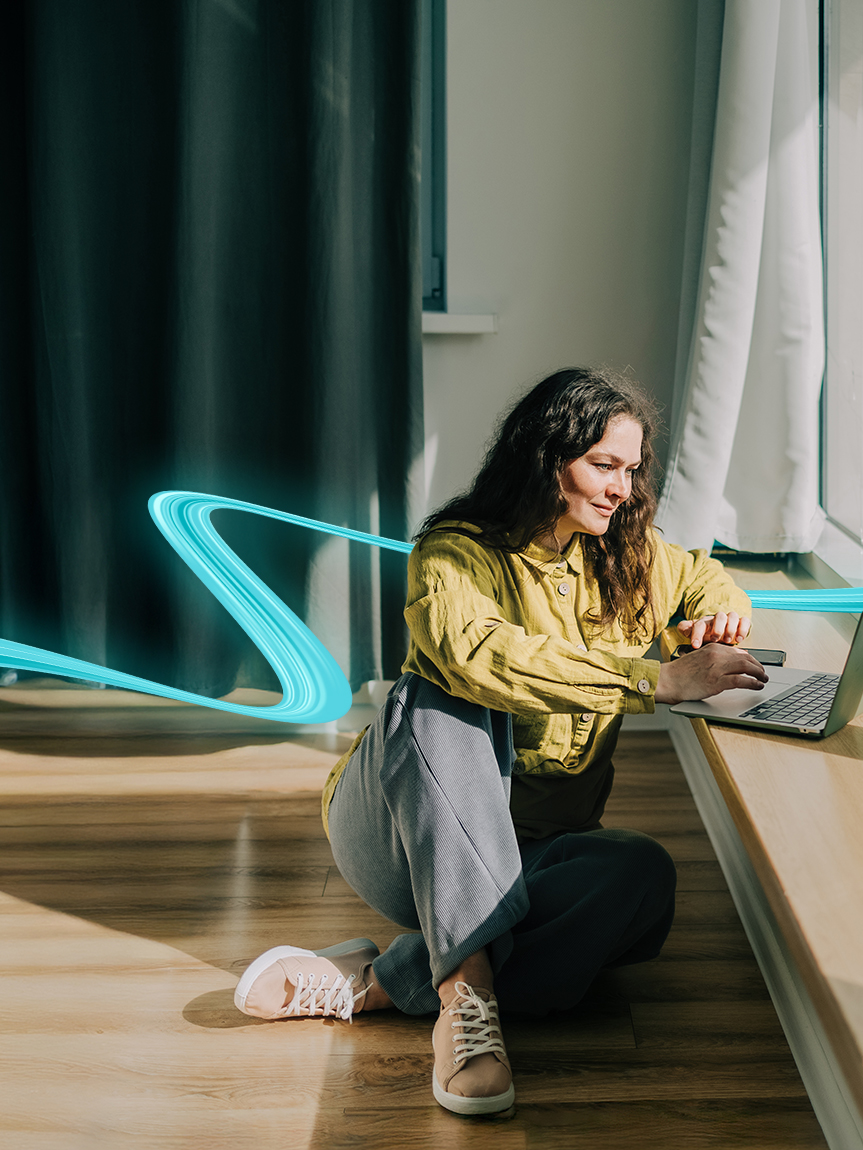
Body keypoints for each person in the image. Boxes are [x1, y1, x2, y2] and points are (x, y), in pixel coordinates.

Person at [232, 367, 768, 1117]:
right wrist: (654, 680)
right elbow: (474, 653)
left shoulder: (629, 554)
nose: (622, 488)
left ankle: (390, 979)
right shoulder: (454, 553)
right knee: (435, 700)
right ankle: (468, 1004)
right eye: (603, 466)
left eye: (632, 469)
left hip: (529, 853)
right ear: (547, 457)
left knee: (639, 874)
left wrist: (718, 613)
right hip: (402, 842)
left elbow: (706, 578)